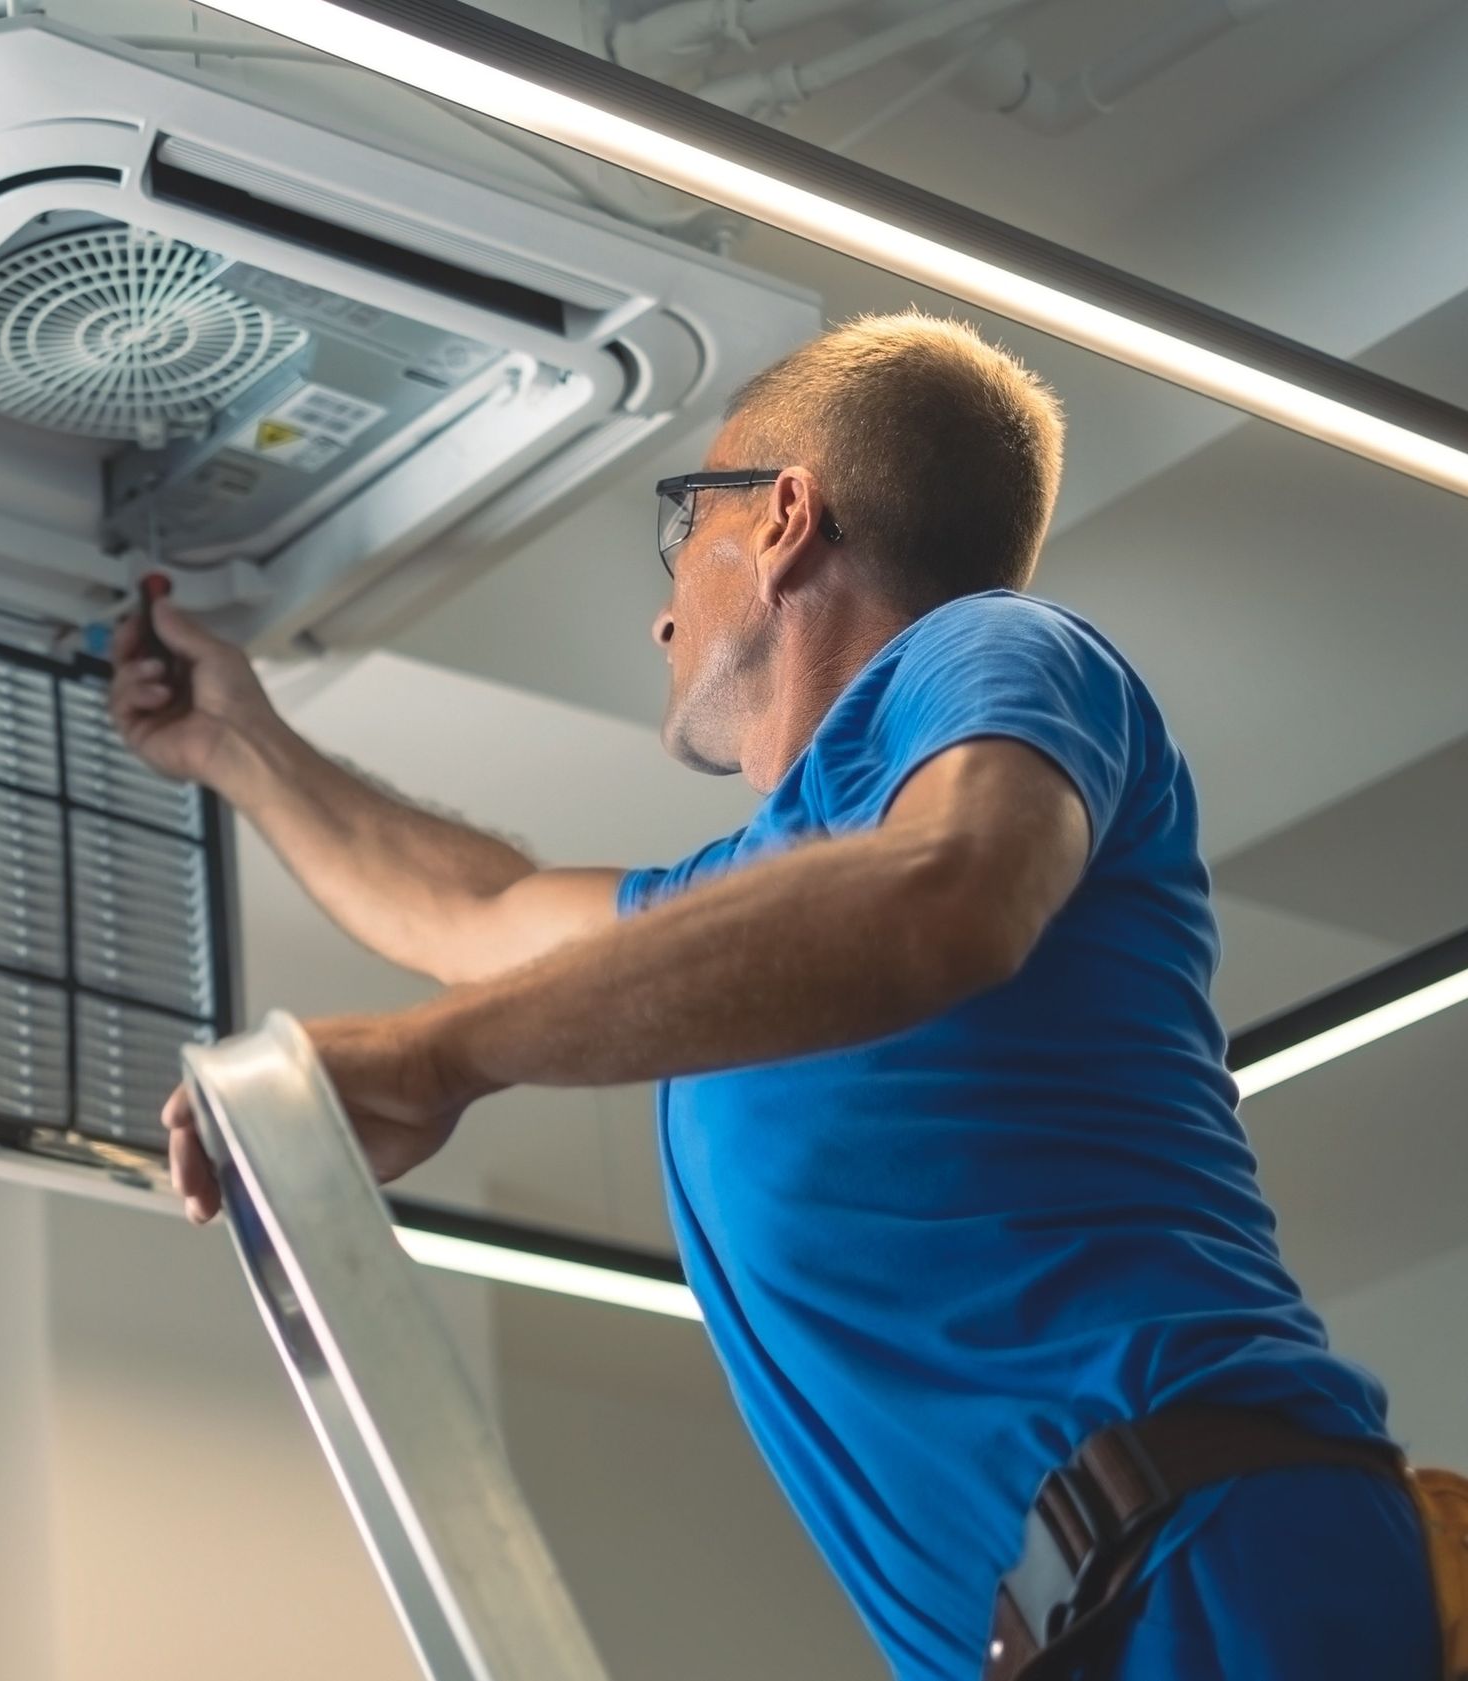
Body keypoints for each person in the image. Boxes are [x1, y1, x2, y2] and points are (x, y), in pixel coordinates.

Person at [110, 311, 1438, 1680]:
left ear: (788, 513)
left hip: (1189, 1554)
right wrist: (240, 743)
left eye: (683, 524)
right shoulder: (774, 898)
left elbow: (950, 894)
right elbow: (481, 917)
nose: (663, 603)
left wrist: (437, 1056)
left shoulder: (1000, 653)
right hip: (1082, 1620)